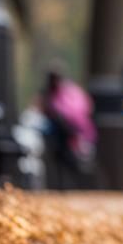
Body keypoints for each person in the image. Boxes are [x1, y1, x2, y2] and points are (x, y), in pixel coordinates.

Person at [39, 61, 97, 189]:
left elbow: (78, 110)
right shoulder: (51, 93)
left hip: (71, 131)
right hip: (61, 131)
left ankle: (71, 185)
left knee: (69, 160)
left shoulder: (67, 92)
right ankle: (61, 185)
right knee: (61, 159)